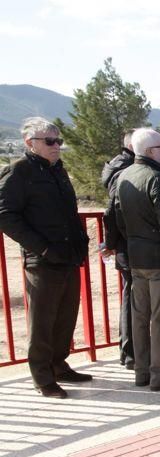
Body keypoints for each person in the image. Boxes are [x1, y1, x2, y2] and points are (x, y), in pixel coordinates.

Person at [0, 117, 92, 398]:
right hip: (43, 259)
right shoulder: (18, 172)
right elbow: (5, 215)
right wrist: (41, 248)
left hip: (68, 255)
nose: (57, 147)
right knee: (42, 321)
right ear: (30, 143)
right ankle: (42, 377)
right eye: (50, 142)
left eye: (59, 141)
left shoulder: (57, 170)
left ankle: (59, 365)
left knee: (65, 316)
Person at [113, 128, 160, 392]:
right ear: (149, 151)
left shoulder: (124, 177)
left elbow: (115, 219)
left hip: (136, 257)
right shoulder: (156, 178)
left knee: (140, 317)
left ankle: (142, 371)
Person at [100, 130, 136, 370]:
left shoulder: (118, 166)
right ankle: (130, 352)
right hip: (130, 246)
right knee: (132, 301)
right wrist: (111, 243)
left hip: (127, 245)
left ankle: (130, 350)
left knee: (130, 299)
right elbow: (112, 211)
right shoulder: (125, 170)